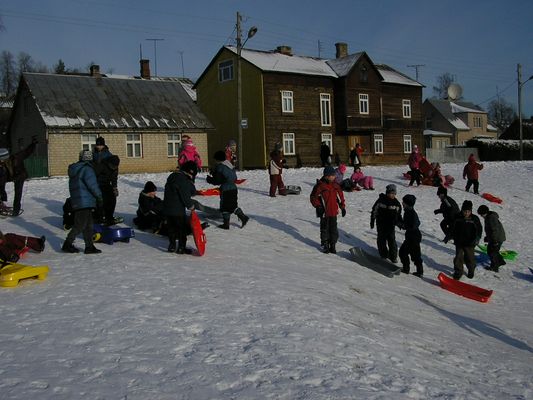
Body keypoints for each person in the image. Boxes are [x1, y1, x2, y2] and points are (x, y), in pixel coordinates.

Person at [62, 150, 103, 254]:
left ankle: (89, 246)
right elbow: (92, 185)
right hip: (84, 201)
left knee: (89, 225)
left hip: (80, 200)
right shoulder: (87, 169)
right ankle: (67, 244)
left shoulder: (76, 169)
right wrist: (99, 197)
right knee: (80, 225)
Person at [206, 150, 249, 229]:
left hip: (226, 188)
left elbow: (218, 181)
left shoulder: (220, 167)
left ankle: (227, 224)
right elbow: (231, 176)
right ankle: (243, 217)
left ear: (217, 159)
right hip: (233, 187)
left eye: (215, 159)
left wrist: (209, 179)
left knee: (224, 206)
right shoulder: (229, 164)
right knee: (232, 204)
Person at [162, 161, 198, 254]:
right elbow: (186, 196)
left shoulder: (172, 177)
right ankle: (181, 247)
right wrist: (191, 206)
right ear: (190, 172)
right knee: (181, 230)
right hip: (178, 211)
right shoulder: (183, 180)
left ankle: (172, 246)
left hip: (167, 209)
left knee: (171, 229)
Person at [310, 166, 346, 254]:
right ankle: (325, 245)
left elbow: (340, 196)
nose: (334, 177)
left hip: (333, 212)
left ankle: (332, 245)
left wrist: (343, 207)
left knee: (334, 230)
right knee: (325, 229)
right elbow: (313, 197)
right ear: (326, 176)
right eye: (332, 175)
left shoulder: (335, 185)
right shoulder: (320, 185)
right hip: (324, 212)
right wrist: (318, 206)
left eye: (334, 175)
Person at [0, 137, 38, 216]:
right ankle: (1, 202)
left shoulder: (17, 157)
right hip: (9, 176)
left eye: (1, 160)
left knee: (18, 193)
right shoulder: (2, 165)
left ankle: (16, 210)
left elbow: (27, 152)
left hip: (20, 176)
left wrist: (33, 144)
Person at [370, 184, 402, 263]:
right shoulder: (381, 200)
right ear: (387, 193)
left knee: (392, 240)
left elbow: (399, 215)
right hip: (381, 224)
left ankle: (393, 256)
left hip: (391, 225)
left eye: (394, 194)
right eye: (391, 193)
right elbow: (374, 210)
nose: (392, 195)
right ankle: (383, 254)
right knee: (381, 239)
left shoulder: (396, 203)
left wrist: (400, 223)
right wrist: (372, 220)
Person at [451, 200, 483, 280]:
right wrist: (451, 235)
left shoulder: (474, 219)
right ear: (462, 210)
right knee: (458, 257)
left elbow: (479, 229)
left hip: (470, 242)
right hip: (459, 241)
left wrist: (477, 238)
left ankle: (471, 270)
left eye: (468, 211)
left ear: (471, 211)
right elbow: (453, 227)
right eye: (465, 211)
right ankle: (458, 271)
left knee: (470, 258)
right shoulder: (458, 217)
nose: (466, 213)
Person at [92, 137, 120, 225]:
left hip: (105, 182)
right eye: (98, 145)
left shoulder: (108, 156)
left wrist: (114, 187)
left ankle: (108, 216)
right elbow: (94, 171)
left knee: (111, 198)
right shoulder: (94, 153)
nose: (99, 147)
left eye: (101, 145)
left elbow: (114, 177)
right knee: (99, 199)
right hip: (97, 180)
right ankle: (99, 216)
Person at [398, 194, 423, 277]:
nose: (402, 203)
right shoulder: (408, 211)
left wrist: (403, 225)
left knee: (403, 252)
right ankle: (419, 271)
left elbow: (415, 224)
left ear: (407, 204)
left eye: (403, 202)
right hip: (412, 236)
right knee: (414, 254)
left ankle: (407, 269)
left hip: (413, 237)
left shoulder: (411, 213)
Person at [477, 205, 507, 272]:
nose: (481, 216)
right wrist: (488, 237)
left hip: (497, 238)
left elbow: (494, 230)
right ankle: (501, 261)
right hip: (495, 237)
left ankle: (494, 267)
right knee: (493, 251)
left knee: (492, 252)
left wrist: (494, 241)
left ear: (486, 212)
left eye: (482, 214)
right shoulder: (488, 217)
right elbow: (490, 230)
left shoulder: (491, 218)